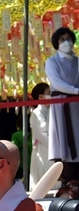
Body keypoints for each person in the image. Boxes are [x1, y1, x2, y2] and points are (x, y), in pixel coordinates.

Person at [45, 27, 79, 182]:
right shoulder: (52, 62)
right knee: (65, 141)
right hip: (62, 106)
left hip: (76, 105)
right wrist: (75, 91)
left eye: (68, 38)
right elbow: (57, 84)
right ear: (56, 43)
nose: (66, 42)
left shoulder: (77, 61)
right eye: (62, 39)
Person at [29, 82, 51, 190]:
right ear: (41, 97)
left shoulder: (50, 111)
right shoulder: (36, 114)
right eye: (49, 93)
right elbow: (41, 135)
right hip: (42, 152)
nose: (51, 95)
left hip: (50, 152)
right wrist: (54, 148)